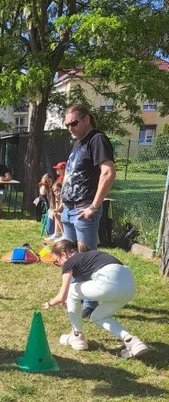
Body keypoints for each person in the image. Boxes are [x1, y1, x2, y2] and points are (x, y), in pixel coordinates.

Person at [43, 239, 148, 358]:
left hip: (109, 280)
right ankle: (131, 341)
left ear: (63, 254)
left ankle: (76, 336)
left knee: (71, 290)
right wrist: (70, 300)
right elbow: (84, 288)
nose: (59, 265)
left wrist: (50, 303)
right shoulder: (89, 259)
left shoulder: (69, 262)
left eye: (57, 261)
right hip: (129, 287)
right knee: (98, 316)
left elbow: (62, 296)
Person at [61, 106, 116, 317]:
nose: (70, 128)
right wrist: (61, 203)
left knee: (87, 257)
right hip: (68, 209)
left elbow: (108, 172)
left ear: (86, 119)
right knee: (70, 257)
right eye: (67, 124)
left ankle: (91, 302)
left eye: (73, 123)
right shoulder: (78, 143)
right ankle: (77, 294)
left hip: (84, 210)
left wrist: (94, 206)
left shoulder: (97, 140)